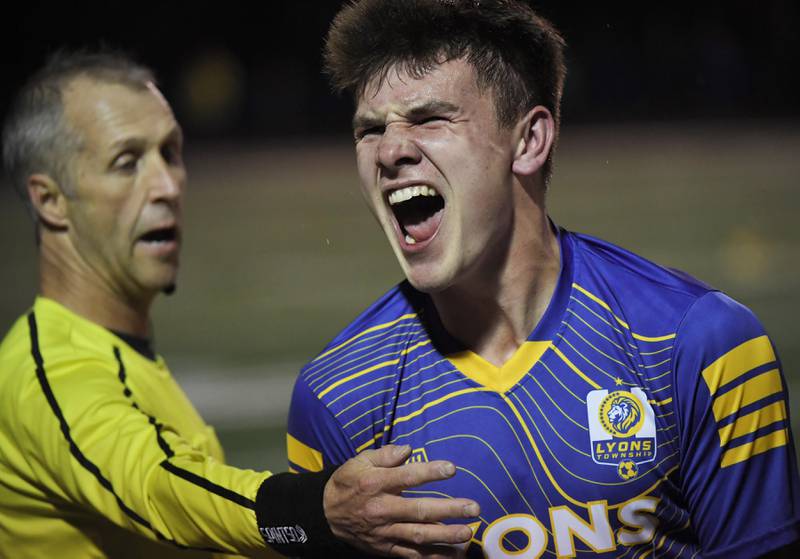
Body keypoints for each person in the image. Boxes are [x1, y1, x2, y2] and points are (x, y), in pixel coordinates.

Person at [286, 1, 800, 557]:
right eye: (369, 130)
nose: (389, 151)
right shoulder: (337, 398)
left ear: (529, 141)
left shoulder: (699, 345)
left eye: (430, 119)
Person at [0, 50, 481, 559]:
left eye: (171, 153)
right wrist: (315, 511)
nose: (167, 186)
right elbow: (157, 486)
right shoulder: (50, 372)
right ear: (50, 201)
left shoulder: (113, 353)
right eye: (127, 163)